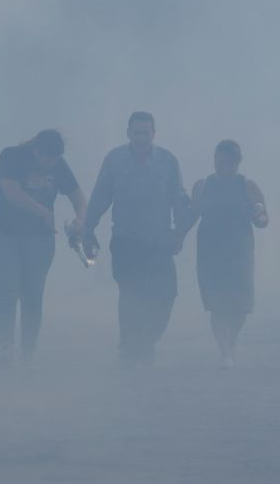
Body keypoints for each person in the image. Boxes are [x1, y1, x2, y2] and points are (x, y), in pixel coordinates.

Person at [83, 112, 191, 368]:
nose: (141, 137)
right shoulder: (114, 160)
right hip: (126, 241)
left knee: (166, 294)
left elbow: (178, 197)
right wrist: (88, 227)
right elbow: (101, 196)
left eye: (146, 132)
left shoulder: (167, 161)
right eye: (136, 132)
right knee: (131, 295)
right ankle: (130, 348)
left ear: (154, 134)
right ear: (128, 133)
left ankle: (146, 341)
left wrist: (180, 232)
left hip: (159, 241)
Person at [0, 129, 87, 366]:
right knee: (7, 290)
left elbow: (79, 199)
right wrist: (43, 212)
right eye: (47, 159)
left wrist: (81, 221)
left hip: (39, 240)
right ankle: (6, 347)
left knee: (32, 294)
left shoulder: (59, 165)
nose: (50, 164)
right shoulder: (11, 157)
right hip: (3, 235)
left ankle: (28, 351)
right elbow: (12, 194)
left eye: (55, 159)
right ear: (36, 151)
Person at [189, 140, 268, 368]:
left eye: (230, 162)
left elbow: (264, 219)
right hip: (210, 254)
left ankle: (231, 340)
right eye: (220, 160)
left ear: (238, 163)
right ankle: (225, 352)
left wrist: (257, 216)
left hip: (239, 254)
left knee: (240, 306)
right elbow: (192, 215)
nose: (224, 165)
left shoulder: (248, 187)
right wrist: (176, 236)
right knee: (217, 304)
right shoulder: (202, 186)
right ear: (214, 159)